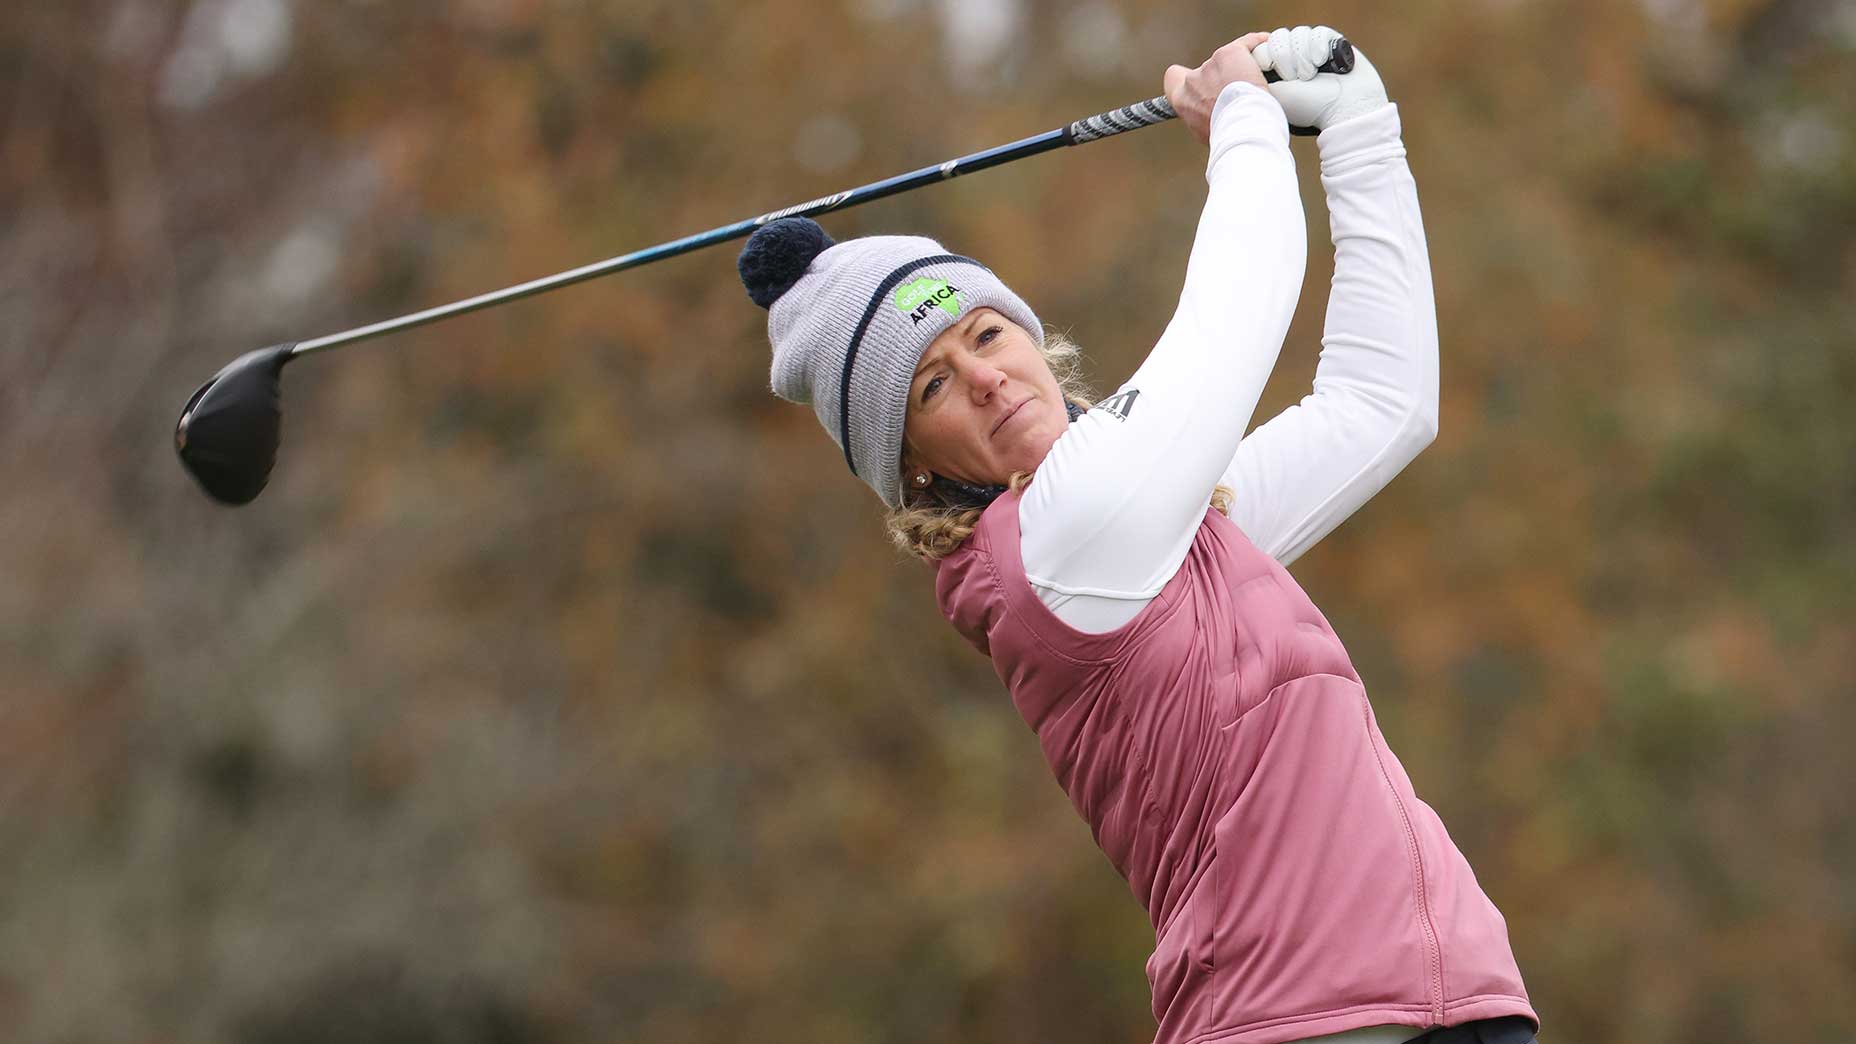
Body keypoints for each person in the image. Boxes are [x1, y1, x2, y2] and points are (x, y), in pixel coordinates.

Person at [738, 25, 1539, 1044]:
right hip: (1299, 1024)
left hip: (1442, 1002)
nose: (984, 377)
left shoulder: (1167, 527)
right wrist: (1241, 118)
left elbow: (1381, 404)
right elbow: (1237, 304)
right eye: (932, 385)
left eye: (986, 333)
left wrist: (1358, 132)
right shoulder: (1057, 542)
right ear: (915, 468)